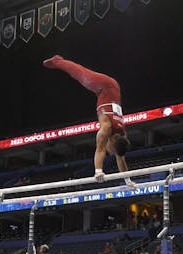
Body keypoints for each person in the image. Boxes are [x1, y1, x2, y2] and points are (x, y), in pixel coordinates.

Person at [42, 55, 133, 185]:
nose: (109, 152)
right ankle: (58, 61)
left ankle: (59, 61)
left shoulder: (122, 136)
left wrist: (127, 179)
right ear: (112, 141)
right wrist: (98, 171)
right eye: (111, 151)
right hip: (104, 86)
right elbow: (100, 149)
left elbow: (121, 158)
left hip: (113, 90)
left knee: (81, 75)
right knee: (79, 73)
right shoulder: (106, 128)